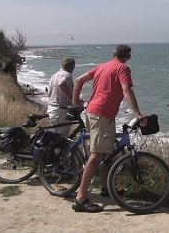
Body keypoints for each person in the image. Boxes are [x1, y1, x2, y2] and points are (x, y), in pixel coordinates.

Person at [70, 44, 146, 213]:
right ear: (128, 56)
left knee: (107, 152)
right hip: (103, 115)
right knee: (97, 156)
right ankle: (80, 199)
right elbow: (126, 90)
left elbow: (78, 80)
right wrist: (138, 113)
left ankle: (105, 187)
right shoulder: (123, 68)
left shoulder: (102, 66)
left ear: (114, 54)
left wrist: (75, 103)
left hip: (91, 111)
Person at [47, 58, 79, 135]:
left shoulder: (54, 76)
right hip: (61, 110)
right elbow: (61, 84)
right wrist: (72, 99)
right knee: (61, 138)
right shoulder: (66, 75)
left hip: (53, 109)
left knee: (55, 136)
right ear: (72, 67)